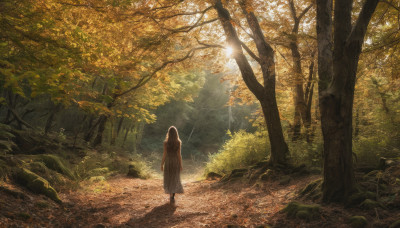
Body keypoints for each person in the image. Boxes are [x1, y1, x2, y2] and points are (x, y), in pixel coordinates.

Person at [161, 126, 183, 201]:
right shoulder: (178, 142)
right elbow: (179, 155)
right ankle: (173, 195)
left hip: (168, 161)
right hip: (175, 161)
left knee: (169, 177)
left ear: (169, 133)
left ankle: (170, 194)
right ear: (176, 133)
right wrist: (180, 165)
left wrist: (162, 164)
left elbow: (164, 154)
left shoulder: (166, 143)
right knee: (175, 177)